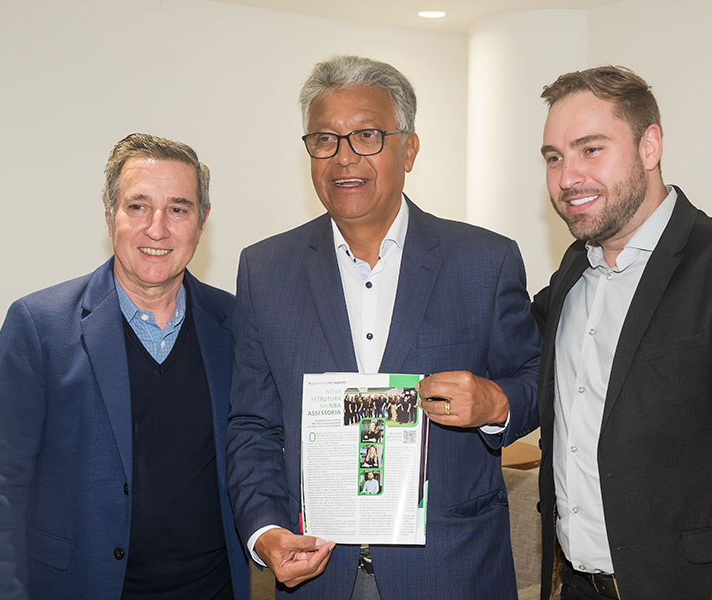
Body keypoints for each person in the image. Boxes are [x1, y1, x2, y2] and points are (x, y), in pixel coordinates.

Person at [226, 55, 541, 600]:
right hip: (319, 575)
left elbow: (538, 380)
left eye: (367, 136)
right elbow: (253, 425)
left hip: (453, 571)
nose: (344, 157)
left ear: (409, 149)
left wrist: (497, 404)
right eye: (324, 139)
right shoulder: (265, 270)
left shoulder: (484, 262)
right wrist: (265, 530)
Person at [532, 66, 712, 600]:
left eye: (590, 149)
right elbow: (527, 367)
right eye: (554, 157)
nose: (568, 177)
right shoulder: (573, 272)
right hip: (577, 586)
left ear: (649, 146)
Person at [0, 133, 250, 599]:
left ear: (202, 222)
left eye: (178, 209)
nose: (157, 228)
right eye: (138, 206)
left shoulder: (237, 323)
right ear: (109, 212)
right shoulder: (38, 327)